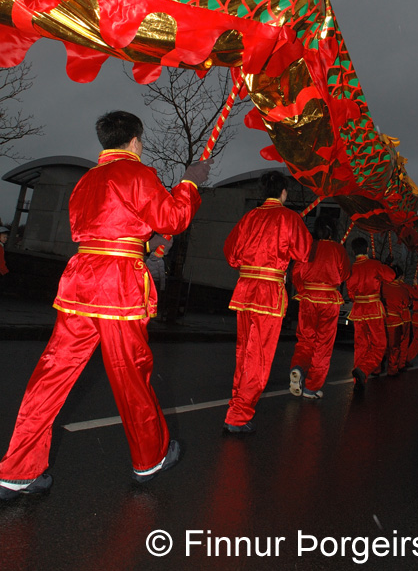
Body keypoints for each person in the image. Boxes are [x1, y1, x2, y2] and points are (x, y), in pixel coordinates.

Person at [0, 111, 210, 501]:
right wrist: (189, 185)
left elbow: (99, 229)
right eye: (142, 141)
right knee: (130, 374)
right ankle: (150, 457)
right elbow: (174, 217)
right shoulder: (138, 174)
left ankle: (16, 470)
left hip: (81, 280)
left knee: (51, 374)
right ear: (134, 139)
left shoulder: (85, 181)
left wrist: (142, 242)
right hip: (117, 285)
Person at [223, 170, 312, 433]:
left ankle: (237, 404)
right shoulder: (289, 218)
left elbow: (231, 254)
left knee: (243, 352)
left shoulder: (249, 217)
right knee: (258, 356)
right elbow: (305, 253)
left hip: (245, 290)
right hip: (269, 292)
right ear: (283, 193)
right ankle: (238, 414)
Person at [289, 216, 351, 399]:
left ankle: (298, 366)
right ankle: (311, 387)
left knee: (305, 339)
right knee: (323, 345)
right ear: (333, 231)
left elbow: (296, 272)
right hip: (329, 300)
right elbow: (345, 274)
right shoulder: (338, 249)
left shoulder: (308, 247)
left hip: (308, 298)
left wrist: (304, 289)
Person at [346, 237, 396, 390]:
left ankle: (359, 380)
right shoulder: (374, 264)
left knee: (361, 345)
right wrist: (384, 264)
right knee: (380, 344)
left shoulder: (351, 268)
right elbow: (391, 276)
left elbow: (351, 294)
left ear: (354, 251)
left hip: (359, 309)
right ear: (367, 249)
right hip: (373, 309)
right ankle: (364, 369)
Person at [381, 265, 417, 376]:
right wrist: (415, 285)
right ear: (401, 276)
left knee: (382, 344)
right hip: (397, 320)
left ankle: (377, 368)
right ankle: (393, 369)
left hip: (382, 319)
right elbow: (413, 298)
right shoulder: (402, 289)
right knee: (396, 346)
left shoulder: (383, 286)